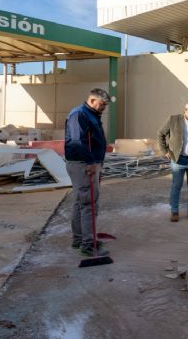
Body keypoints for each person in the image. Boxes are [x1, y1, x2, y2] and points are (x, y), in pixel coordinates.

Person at [64, 88, 111, 257]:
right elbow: (78, 141)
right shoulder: (80, 114)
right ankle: (88, 245)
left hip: (86, 163)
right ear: (92, 100)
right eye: (102, 104)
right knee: (89, 204)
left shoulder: (89, 114)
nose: (104, 108)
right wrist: (91, 163)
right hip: (84, 165)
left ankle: (79, 239)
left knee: (81, 202)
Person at [158, 101, 188, 222]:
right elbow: (161, 134)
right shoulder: (174, 119)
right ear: (185, 110)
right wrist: (165, 151)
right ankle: (174, 212)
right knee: (176, 186)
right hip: (178, 160)